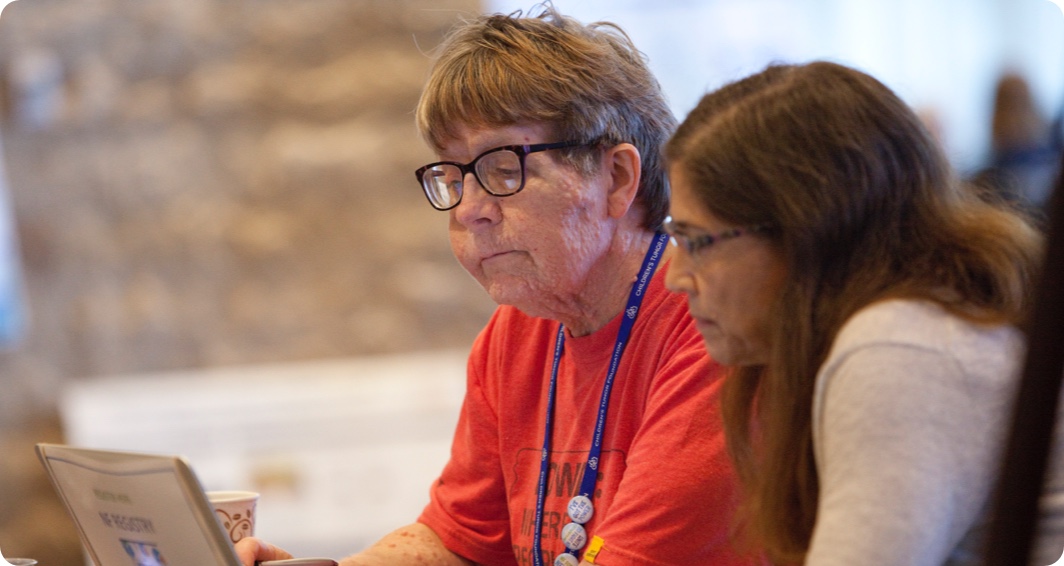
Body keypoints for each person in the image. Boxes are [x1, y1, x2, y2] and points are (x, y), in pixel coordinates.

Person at [238, 6, 756, 566]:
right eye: (453, 173)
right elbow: (456, 541)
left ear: (617, 178)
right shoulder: (516, 334)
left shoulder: (711, 327)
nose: (469, 210)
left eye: (504, 167)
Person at [662, 60, 1064, 565]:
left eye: (697, 241)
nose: (674, 276)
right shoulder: (908, 323)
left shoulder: (900, 349)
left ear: (808, 229)